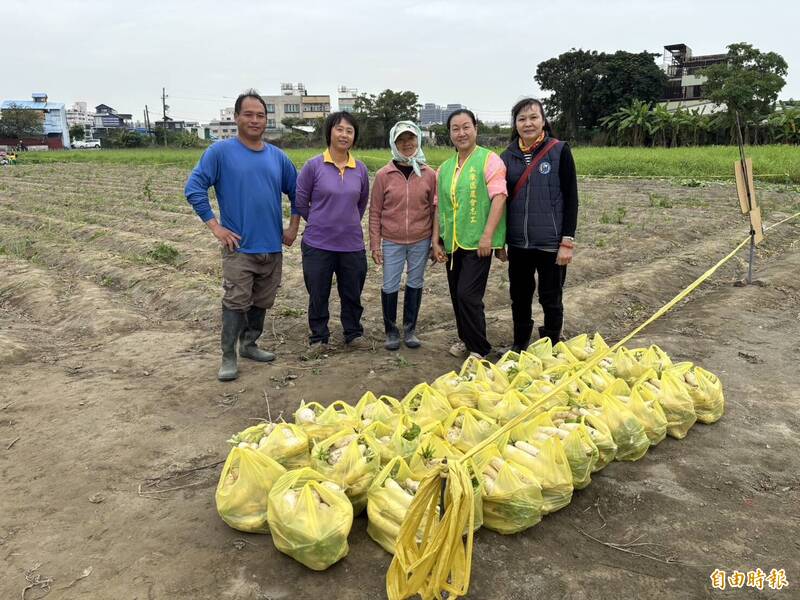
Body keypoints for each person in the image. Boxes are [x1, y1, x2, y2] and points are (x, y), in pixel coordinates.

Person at [185, 89, 299, 381]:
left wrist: (293, 227)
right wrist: (216, 227)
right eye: (248, 114)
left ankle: (249, 344)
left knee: (263, 299)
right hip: (239, 247)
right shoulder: (220, 153)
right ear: (236, 117)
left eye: (260, 115)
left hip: (271, 245)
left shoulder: (278, 157)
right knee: (236, 300)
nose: (255, 120)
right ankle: (228, 355)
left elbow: (298, 193)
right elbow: (194, 188)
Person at [500, 98, 578, 351]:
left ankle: (552, 343)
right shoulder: (507, 156)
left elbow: (571, 199)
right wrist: (499, 241)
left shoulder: (559, 150)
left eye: (533, 117)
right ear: (515, 124)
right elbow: (500, 202)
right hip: (518, 243)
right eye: (521, 119)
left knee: (551, 297)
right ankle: (520, 344)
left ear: (543, 120)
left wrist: (567, 240)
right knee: (519, 298)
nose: (528, 123)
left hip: (550, 243)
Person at [432, 109, 508, 359]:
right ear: (450, 134)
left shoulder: (489, 160)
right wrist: (436, 240)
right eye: (455, 128)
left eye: (466, 127)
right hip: (453, 242)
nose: (461, 133)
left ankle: (480, 349)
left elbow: (499, 197)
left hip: (478, 243)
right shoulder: (444, 168)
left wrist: (488, 236)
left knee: (468, 295)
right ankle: (466, 339)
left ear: (475, 128)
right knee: (457, 296)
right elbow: (438, 206)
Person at [295, 112, 370, 357]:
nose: (344, 134)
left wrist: (344, 223)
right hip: (318, 243)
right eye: (339, 129)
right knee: (318, 292)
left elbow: (360, 203)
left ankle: (353, 334)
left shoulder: (359, 169)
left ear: (354, 136)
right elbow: (302, 201)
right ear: (329, 132)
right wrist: (321, 221)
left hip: (351, 244)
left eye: (349, 130)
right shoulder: (313, 166)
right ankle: (319, 338)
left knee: (352, 292)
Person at [369, 121, 436, 350]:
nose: (407, 144)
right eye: (401, 140)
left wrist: (436, 242)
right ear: (394, 143)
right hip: (392, 240)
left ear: (418, 140)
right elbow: (375, 211)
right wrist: (375, 244)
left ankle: (410, 330)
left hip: (421, 239)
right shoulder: (383, 175)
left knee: (415, 283)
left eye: (411, 139)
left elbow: (435, 210)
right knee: (390, 285)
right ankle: (391, 332)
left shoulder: (429, 174)